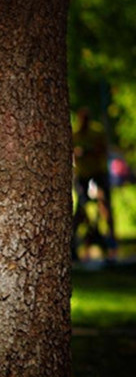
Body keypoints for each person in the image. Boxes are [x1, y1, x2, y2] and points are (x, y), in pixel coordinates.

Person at [72, 107, 116, 261]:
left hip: (98, 172)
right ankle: (75, 240)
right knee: (81, 207)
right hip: (83, 175)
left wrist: (89, 151)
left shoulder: (96, 133)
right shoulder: (75, 134)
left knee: (105, 205)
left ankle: (111, 241)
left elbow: (103, 150)